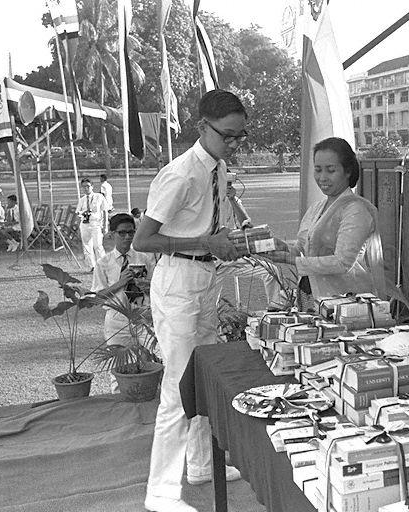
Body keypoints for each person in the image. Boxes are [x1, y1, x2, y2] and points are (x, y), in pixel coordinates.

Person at [133, 89, 245, 512]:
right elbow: (144, 240)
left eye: (240, 136)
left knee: (204, 376)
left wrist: (225, 243)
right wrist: (205, 241)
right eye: (228, 136)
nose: (234, 144)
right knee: (178, 388)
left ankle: (200, 464)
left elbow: (210, 229)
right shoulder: (180, 174)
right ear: (202, 128)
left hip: (205, 278)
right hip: (178, 281)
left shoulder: (216, 167)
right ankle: (160, 494)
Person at [266, 137, 386, 303]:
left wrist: (291, 260)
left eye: (330, 170)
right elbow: (303, 249)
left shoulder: (356, 210)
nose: (322, 177)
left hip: (344, 301)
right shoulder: (317, 208)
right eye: (318, 169)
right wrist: (283, 248)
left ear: (348, 171)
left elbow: (342, 262)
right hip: (310, 295)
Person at [92, 213, 156, 393]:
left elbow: (157, 289)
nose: (128, 237)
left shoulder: (145, 258)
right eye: (122, 233)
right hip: (116, 319)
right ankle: (119, 401)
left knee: (152, 360)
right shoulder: (103, 263)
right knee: (119, 367)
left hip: (143, 316)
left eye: (131, 232)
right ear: (112, 234)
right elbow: (97, 297)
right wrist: (120, 283)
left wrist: (147, 285)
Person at [213, 179, 288, 310]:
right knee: (209, 305)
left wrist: (233, 200)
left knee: (271, 272)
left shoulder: (234, 201)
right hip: (211, 261)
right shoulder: (205, 201)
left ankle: (277, 309)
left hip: (233, 257)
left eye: (229, 183)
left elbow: (247, 225)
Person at [76, 178, 108, 271]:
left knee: (98, 245)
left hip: (96, 223)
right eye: (84, 187)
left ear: (92, 186)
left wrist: (105, 225)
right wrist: (82, 214)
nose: (86, 189)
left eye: (88, 186)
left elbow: (104, 211)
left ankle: (103, 266)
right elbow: (78, 213)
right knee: (86, 246)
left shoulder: (99, 197)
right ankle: (92, 266)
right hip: (85, 224)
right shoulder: (82, 200)